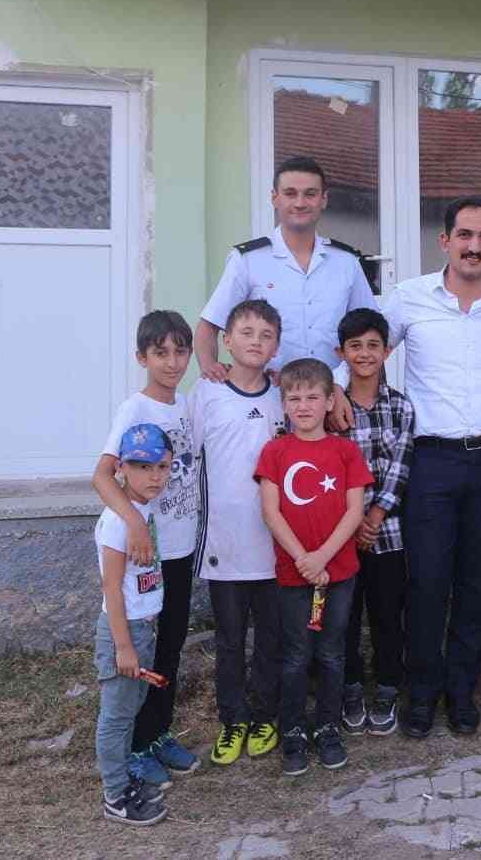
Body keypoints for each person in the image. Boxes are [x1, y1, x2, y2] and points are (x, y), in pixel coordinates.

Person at [374, 198, 481, 739]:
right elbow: (367, 349)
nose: (474, 246)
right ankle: (422, 694)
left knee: (477, 583)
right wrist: (342, 396)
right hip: (429, 461)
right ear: (444, 241)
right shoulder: (408, 297)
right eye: (464, 235)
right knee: (427, 582)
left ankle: (462, 691)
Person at [91, 311, 203, 791]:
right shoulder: (134, 409)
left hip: (181, 547)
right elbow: (102, 476)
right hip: (145, 555)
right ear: (142, 358)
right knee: (140, 652)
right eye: (161, 353)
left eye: (180, 351)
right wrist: (136, 524)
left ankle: (157, 733)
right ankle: (134, 747)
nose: (172, 362)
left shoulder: (186, 406)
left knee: (169, 649)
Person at [256, 358, 372, 776]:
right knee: (295, 654)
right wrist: (304, 560)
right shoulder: (275, 451)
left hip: (338, 572)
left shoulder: (345, 451)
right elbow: (271, 512)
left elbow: (355, 510)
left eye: (311, 397)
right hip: (294, 574)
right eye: (294, 398)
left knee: (331, 653)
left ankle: (327, 727)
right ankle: (293, 731)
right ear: (284, 404)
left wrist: (322, 557)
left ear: (328, 402)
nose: (303, 406)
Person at [190, 299, 288, 765]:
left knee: (271, 636)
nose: (255, 342)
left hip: (276, 542)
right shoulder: (207, 392)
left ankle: (266, 716)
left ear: (276, 347)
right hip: (224, 543)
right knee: (230, 640)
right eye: (246, 332)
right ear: (226, 341)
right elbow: (186, 458)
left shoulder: (282, 396)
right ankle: (233, 721)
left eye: (266, 335)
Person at [197, 156, 377, 377]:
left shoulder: (346, 262)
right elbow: (208, 326)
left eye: (310, 194)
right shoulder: (248, 260)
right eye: (290, 193)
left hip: (332, 391)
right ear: (275, 198)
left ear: (324, 199)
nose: (300, 203)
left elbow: (371, 331)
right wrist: (211, 372)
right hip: (268, 392)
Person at [335, 308, 415, 737]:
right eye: (355, 346)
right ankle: (349, 688)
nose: (364, 354)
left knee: (387, 614)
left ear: (387, 351)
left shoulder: (401, 406)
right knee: (344, 617)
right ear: (341, 353)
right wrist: (352, 523)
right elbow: (329, 470)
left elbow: (401, 465)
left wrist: (375, 514)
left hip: (388, 533)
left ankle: (387, 687)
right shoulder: (332, 408)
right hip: (341, 537)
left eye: (373, 345)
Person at [93, 423, 173, 827]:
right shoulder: (118, 521)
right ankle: (115, 797)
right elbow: (111, 586)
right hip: (124, 632)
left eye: (162, 467)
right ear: (121, 468)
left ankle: (124, 779)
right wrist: (123, 646)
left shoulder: (143, 511)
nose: (154, 476)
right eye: (143, 467)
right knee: (117, 717)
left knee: (131, 708)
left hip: (143, 628)